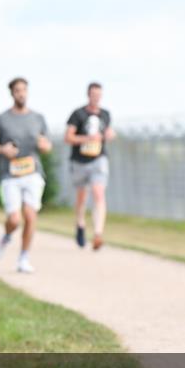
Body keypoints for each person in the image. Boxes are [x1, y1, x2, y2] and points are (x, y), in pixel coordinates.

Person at [0, 78, 52, 273]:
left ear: (27, 92)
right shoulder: (2, 119)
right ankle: (6, 237)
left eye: (24, 90)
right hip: (10, 174)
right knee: (14, 220)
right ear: (12, 93)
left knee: (30, 216)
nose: (21, 94)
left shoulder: (38, 118)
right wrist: (2, 149)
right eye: (17, 90)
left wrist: (44, 145)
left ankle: (23, 257)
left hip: (33, 172)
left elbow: (47, 145)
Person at [64, 82, 115, 250]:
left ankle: (98, 233)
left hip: (98, 159)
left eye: (99, 95)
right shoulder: (77, 114)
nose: (96, 98)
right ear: (88, 95)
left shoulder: (106, 114)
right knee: (82, 197)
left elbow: (109, 133)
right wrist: (87, 139)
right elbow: (68, 138)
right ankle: (80, 224)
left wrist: (109, 134)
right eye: (94, 94)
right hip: (79, 161)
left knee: (98, 193)